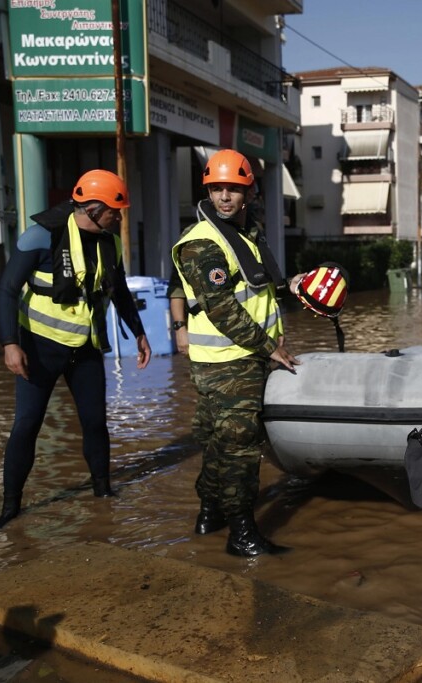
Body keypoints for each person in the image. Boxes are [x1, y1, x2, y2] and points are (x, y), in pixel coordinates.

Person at [0, 169, 152, 528]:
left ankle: (103, 494)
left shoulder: (110, 243)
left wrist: (139, 333)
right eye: (116, 210)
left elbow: (121, 291)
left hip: (86, 349)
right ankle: (10, 508)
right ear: (94, 208)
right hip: (38, 348)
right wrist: (9, 344)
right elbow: (6, 289)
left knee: (95, 422)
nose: (120, 217)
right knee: (27, 425)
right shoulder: (41, 236)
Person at [172, 149, 300, 557]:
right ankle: (242, 534)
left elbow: (261, 290)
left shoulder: (247, 233)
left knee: (217, 442)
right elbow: (222, 307)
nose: (225, 196)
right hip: (229, 360)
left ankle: (209, 514)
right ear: (207, 190)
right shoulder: (201, 244)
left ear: (249, 191)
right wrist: (269, 348)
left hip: (241, 357)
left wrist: (293, 287)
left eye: (233, 188)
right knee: (241, 447)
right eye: (217, 189)